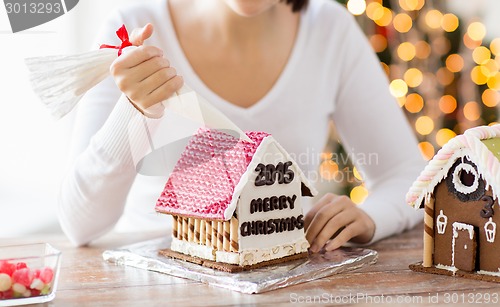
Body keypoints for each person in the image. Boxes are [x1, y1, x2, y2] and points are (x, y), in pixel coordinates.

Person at [59, 0, 424, 251]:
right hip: (154, 284)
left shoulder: (330, 29)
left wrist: (369, 218)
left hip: (286, 281)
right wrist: (133, 112)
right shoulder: (131, 29)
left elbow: (407, 176)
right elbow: (80, 225)